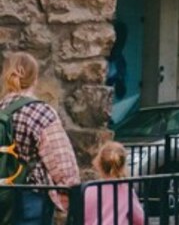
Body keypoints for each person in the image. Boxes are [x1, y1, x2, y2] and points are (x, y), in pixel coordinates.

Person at [1, 52, 80, 225]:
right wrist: (71, 191)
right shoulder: (40, 112)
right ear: (35, 79)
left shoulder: (1, 109)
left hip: (3, 192)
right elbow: (60, 158)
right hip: (31, 194)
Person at [81, 142, 145, 225]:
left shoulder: (88, 189)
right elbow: (140, 219)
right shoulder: (125, 190)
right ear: (122, 166)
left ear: (99, 163)